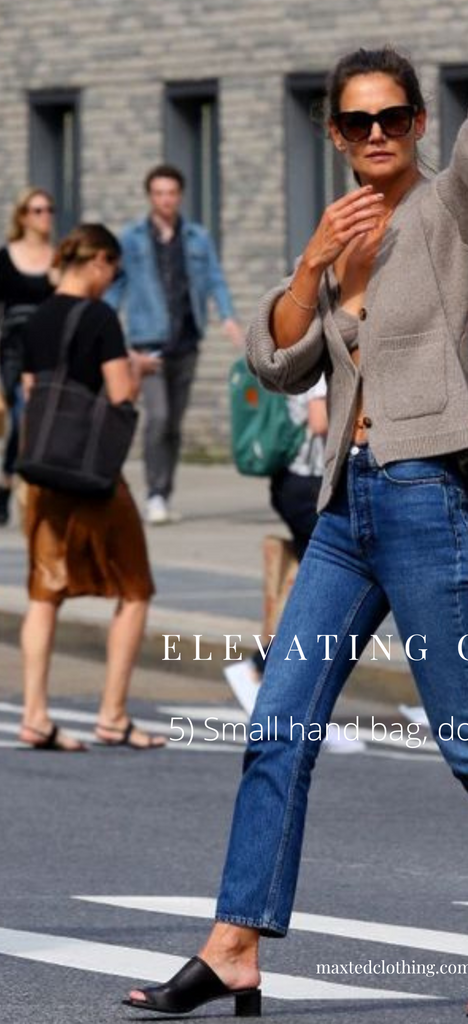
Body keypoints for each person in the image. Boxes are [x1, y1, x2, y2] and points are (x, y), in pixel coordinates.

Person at [125, 0, 468, 1018]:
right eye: (356, 122)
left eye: (393, 116)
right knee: (276, 728)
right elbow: (274, 356)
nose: (376, 133)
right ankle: (235, 945)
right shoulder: (341, 232)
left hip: (427, 501)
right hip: (346, 516)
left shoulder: (454, 208)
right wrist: (313, 266)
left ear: (420, 123)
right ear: (334, 133)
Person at [18, 224, 165, 752]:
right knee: (134, 588)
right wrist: (139, 369)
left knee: (44, 592)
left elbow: (33, 391)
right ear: (99, 261)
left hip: (42, 473)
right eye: (114, 270)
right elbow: (120, 394)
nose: (112, 280)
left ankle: (35, 715)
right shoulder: (101, 317)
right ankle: (113, 715)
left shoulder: (36, 318)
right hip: (91, 476)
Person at [105, 164, 244, 526]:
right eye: (159, 193)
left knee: (174, 424)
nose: (165, 200)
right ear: (150, 197)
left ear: (179, 196)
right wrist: (103, 327)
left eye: (171, 193)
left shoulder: (196, 237)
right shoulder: (132, 238)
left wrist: (228, 317)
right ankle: (153, 494)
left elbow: (215, 279)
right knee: (159, 417)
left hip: (186, 340)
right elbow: (116, 286)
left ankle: (164, 493)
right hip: (147, 343)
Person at [224, 378, 329, 715]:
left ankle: (270, 675)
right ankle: (261, 667)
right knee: (326, 590)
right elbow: (320, 421)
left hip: (297, 485)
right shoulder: (323, 361)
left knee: (316, 590)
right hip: (307, 485)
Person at [0, 187, 56, 525]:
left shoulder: (58, 258)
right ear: (23, 216)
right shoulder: (5, 258)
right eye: (37, 210)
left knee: (38, 418)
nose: (45, 215)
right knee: (22, 416)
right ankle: (9, 481)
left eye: (49, 209)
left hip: (48, 349)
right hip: (13, 351)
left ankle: (22, 484)